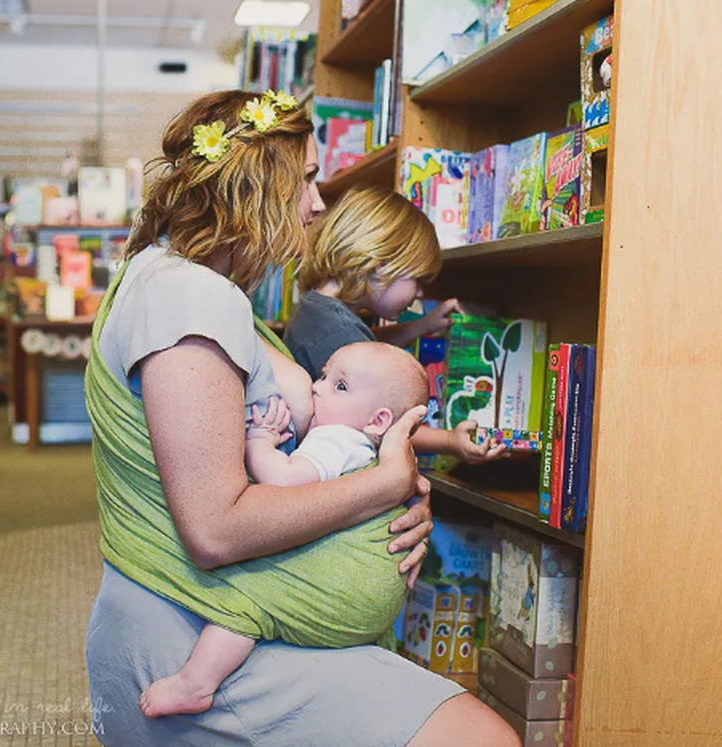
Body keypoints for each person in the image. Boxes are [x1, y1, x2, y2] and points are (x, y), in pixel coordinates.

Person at [85, 89, 520, 747]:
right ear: (258, 183)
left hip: (219, 613)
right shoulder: (187, 299)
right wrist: (382, 485)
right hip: (188, 631)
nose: (318, 204)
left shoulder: (181, 281)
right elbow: (215, 528)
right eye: (308, 178)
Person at [139, 342, 431, 719]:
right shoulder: (369, 449)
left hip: (353, 588)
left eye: (339, 386)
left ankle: (195, 684)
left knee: (246, 599)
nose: (318, 386)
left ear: (377, 422)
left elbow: (285, 480)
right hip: (380, 599)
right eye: (324, 375)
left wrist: (260, 442)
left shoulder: (338, 438)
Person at [285, 184, 509, 464]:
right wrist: (450, 441)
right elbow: (383, 424)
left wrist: (418, 327)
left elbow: (367, 349)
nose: (418, 293)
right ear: (379, 263)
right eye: (417, 280)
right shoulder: (336, 329)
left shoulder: (320, 311)